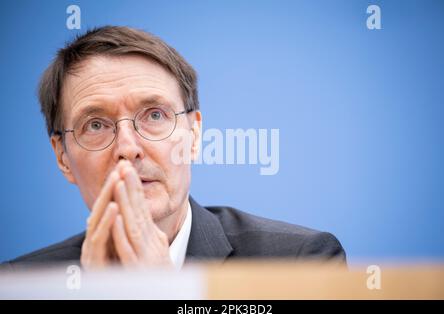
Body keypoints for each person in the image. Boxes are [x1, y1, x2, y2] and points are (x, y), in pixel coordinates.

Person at [1, 26, 346, 271]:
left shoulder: (300, 263)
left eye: (154, 115)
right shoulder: (19, 284)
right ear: (62, 157)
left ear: (194, 136)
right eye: (95, 124)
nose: (128, 148)